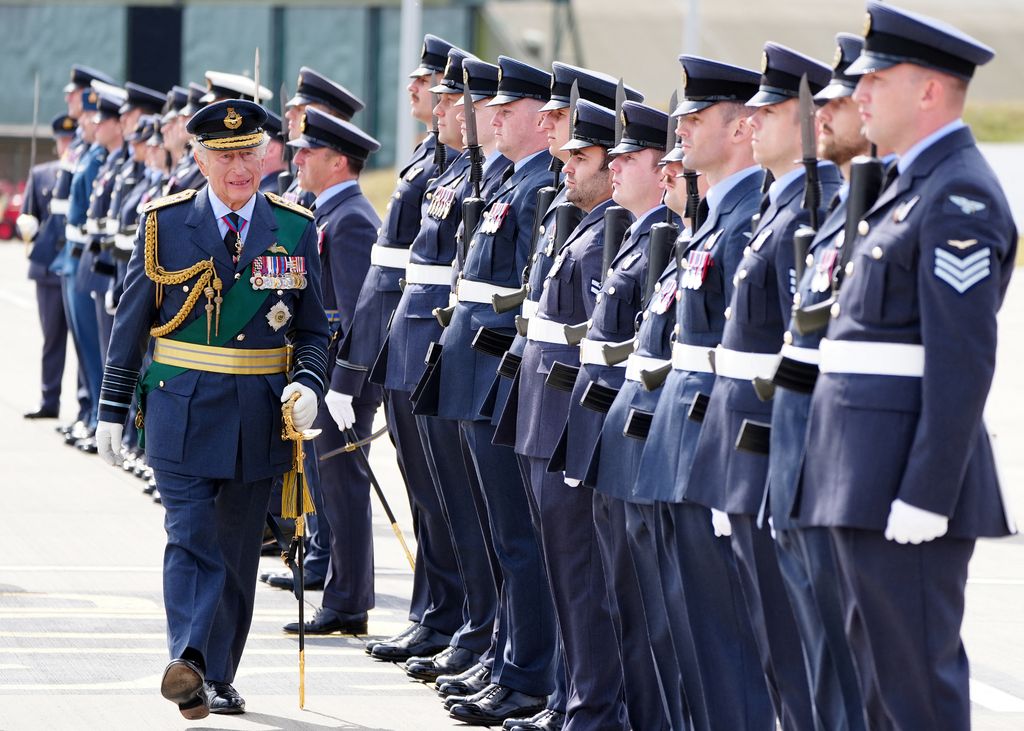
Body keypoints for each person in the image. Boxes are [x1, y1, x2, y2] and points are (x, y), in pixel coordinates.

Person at [797, 4, 1016, 729]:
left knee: (917, 692)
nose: (858, 96)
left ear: (927, 91)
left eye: (876, 81)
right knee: (881, 692)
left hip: (903, 489)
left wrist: (928, 491)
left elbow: (963, 360)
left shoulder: (957, 192)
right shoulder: (903, 186)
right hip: (861, 476)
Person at [94, 99, 329, 719]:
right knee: (191, 537)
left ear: (266, 155)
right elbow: (131, 321)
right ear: (198, 159)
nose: (239, 167)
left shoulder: (294, 228)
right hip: (182, 406)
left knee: (234, 549)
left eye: (249, 153)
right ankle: (190, 662)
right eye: (224, 155)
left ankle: (217, 675)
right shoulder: (164, 224)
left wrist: (308, 385)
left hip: (258, 414)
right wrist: (112, 407)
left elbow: (313, 330)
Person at [685, 42, 841, 731]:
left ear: (805, 121)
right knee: (775, 644)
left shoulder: (809, 208)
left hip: (775, 452)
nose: (753, 125)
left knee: (801, 648)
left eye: (768, 113)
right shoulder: (776, 211)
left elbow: (799, 356)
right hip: (747, 450)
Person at [433, 55, 558, 726]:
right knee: (496, 530)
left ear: (542, 120)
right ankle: (507, 657)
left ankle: (527, 669)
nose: (493, 116)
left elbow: (526, 298)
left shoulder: (541, 187)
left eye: (508, 109)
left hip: (499, 374)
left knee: (518, 536)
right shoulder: (508, 180)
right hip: (475, 371)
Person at [763, 33, 874, 731]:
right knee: (813, 656)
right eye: (824, 100)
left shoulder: (868, 200)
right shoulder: (833, 206)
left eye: (843, 98)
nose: (829, 111)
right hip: (801, 449)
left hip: (848, 464)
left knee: (855, 664)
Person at [510, 98, 626, 731]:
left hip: (569, 424)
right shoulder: (580, 223)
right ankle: (564, 697)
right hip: (543, 417)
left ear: (612, 168)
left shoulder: (611, 232)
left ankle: (589, 707)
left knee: (582, 579)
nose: (566, 165)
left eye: (581, 157)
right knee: (563, 576)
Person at [281, 106, 382, 637]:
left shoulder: (350, 220)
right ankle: (342, 594)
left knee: (343, 490)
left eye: (309, 152)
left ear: (338, 162)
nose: (298, 158)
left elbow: (357, 313)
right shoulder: (327, 214)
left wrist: (342, 381)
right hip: (326, 379)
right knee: (329, 488)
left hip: (343, 383)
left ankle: (347, 602)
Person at [20, 114, 77, 419]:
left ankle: (86, 407)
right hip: (47, 271)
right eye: (62, 140)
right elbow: (31, 216)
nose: (66, 145)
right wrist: (25, 226)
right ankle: (49, 399)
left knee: (84, 342)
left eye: (71, 139)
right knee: (52, 339)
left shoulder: (83, 172)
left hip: (76, 267)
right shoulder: (40, 174)